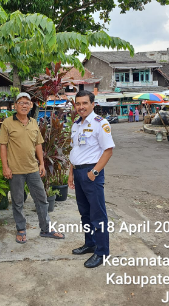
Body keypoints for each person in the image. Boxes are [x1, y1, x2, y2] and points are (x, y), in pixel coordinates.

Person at [0, 92, 64, 244]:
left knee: (41, 199)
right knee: (18, 202)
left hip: (33, 168)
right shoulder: (7, 123)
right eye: (21, 102)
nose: (24, 105)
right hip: (15, 170)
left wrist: (41, 163)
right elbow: (3, 146)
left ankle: (46, 228)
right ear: (15, 105)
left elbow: (38, 144)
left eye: (27, 103)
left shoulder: (34, 122)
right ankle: (21, 229)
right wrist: (5, 167)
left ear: (31, 106)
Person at [68, 90, 115, 268]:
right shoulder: (76, 124)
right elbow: (75, 151)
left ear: (92, 104)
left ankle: (102, 252)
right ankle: (90, 243)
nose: (81, 107)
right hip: (79, 172)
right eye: (78, 104)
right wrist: (71, 174)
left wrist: (94, 172)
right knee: (85, 213)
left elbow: (108, 150)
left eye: (84, 103)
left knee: (98, 215)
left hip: (91, 174)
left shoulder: (100, 124)